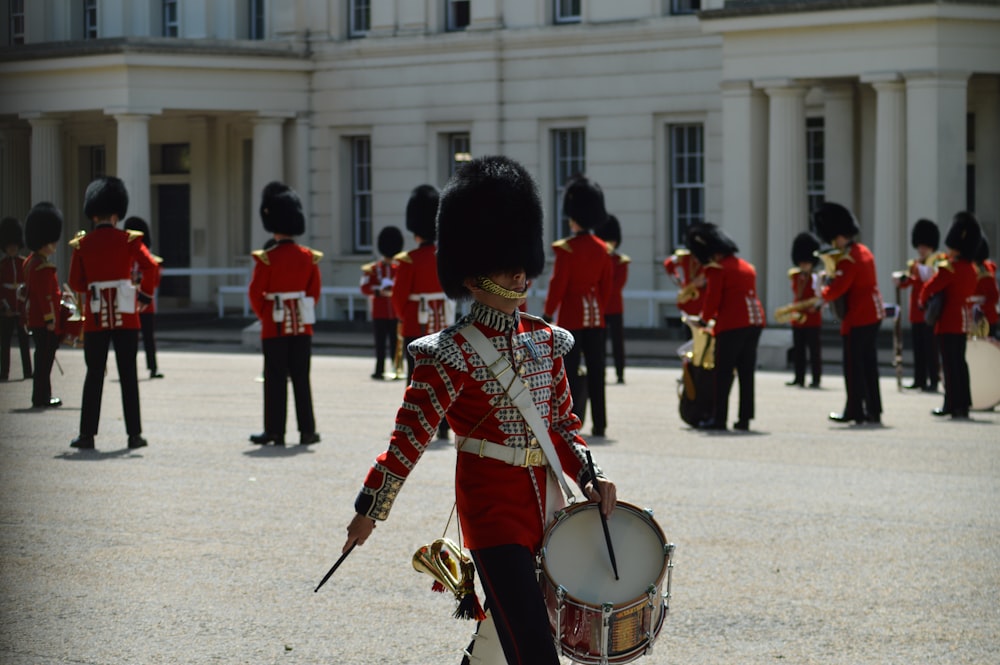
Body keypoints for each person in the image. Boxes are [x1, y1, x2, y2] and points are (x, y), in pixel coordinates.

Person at [341, 155, 617, 665]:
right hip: (491, 513)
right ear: (471, 272)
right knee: (535, 650)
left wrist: (591, 474)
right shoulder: (447, 353)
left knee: (500, 639)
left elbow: (560, 425)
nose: (518, 272)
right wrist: (370, 510)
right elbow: (409, 440)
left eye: (520, 261)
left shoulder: (544, 341)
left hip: (546, 507)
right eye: (504, 263)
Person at [69, 176, 159, 450]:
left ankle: (87, 435)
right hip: (127, 316)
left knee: (94, 374)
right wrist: (142, 294)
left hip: (96, 317)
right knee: (128, 374)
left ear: (93, 214)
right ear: (117, 214)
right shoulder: (129, 240)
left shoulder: (82, 244)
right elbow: (151, 267)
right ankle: (134, 435)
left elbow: (75, 283)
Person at [248, 181, 322, 447]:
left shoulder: (266, 259)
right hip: (302, 326)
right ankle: (308, 430)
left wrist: (267, 315)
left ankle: (275, 432)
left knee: (275, 379)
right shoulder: (308, 257)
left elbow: (255, 294)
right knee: (302, 378)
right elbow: (314, 293)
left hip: (275, 327)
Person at [542, 175, 613, 437]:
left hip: (572, 317)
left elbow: (557, 285)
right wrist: (598, 308)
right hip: (596, 317)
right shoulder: (603, 248)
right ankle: (601, 423)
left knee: (568, 373)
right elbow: (606, 288)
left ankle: (570, 420)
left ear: (574, 217)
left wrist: (548, 313)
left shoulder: (567, 250)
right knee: (597, 371)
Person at [687, 222, 764, 431]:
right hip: (755, 322)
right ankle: (744, 419)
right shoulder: (747, 266)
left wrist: (703, 320)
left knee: (724, 373)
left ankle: (719, 418)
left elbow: (713, 299)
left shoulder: (717, 269)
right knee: (746, 372)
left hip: (732, 325)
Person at [813, 202, 885, 426]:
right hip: (872, 314)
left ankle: (854, 410)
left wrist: (822, 287)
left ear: (840, 236)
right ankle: (873, 409)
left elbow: (837, 290)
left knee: (853, 367)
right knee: (868, 365)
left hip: (859, 317)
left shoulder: (848, 259)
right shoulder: (863, 252)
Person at [392, 184, 451, 439]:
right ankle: (445, 426)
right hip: (444, 323)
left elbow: (398, 299)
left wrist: (404, 317)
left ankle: (415, 425)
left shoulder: (409, 260)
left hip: (417, 325)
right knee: (445, 379)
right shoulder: (446, 256)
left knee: (416, 379)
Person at [919, 211, 983, 420]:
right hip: (964, 320)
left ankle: (951, 404)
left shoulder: (951, 268)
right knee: (960, 364)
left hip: (948, 320)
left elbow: (929, 288)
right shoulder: (971, 269)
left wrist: (923, 301)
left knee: (949, 364)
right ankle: (962, 404)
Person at [22, 203, 63, 408]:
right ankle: (42, 397)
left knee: (42, 360)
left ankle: (42, 395)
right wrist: (50, 319)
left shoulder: (30, 262)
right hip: (45, 320)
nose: (54, 245)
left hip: (35, 319)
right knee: (44, 361)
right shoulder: (42, 266)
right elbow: (45, 296)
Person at [893, 218, 941, 392]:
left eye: (925, 247)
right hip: (915, 312)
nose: (921, 250)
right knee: (918, 348)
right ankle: (919, 379)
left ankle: (933, 380)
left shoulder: (936, 261)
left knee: (930, 348)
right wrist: (901, 281)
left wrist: (913, 276)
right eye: (920, 246)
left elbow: (928, 281)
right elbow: (910, 282)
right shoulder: (916, 264)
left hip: (929, 311)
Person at [123, 217, 164, 379]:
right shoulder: (129, 256)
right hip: (130, 301)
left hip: (144, 303)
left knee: (148, 338)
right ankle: (130, 367)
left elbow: (155, 282)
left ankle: (152, 367)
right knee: (130, 339)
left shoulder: (149, 258)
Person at [360, 225, 403, 380]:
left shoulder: (399, 268)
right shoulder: (371, 269)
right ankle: (379, 370)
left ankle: (395, 369)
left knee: (394, 343)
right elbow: (364, 288)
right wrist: (378, 291)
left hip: (394, 312)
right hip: (379, 312)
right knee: (379, 344)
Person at [785, 231, 823, 388]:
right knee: (798, 350)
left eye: (806, 263)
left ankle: (816, 379)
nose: (803, 265)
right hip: (798, 317)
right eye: (801, 263)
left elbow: (821, 296)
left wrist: (816, 306)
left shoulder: (817, 277)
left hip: (812, 317)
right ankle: (798, 377)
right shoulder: (795, 276)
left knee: (814, 351)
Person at [595, 214, 629, 384]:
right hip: (600, 306)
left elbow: (617, 286)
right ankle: (599, 371)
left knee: (618, 343)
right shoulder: (600, 260)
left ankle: (620, 372)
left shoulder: (620, 261)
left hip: (614, 307)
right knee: (598, 343)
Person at [0, 216, 32, 381]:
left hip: (21, 308)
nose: (12, 249)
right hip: (7, 309)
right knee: (4, 344)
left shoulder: (24, 263)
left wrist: (23, 307)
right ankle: (4, 372)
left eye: (14, 246)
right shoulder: (2, 266)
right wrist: (4, 307)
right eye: (9, 246)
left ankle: (28, 371)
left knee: (24, 342)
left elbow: (27, 286)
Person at [663, 245, 706, 337]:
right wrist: (678, 281)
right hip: (688, 300)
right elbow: (668, 264)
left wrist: (705, 282)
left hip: (703, 301)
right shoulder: (685, 257)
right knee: (689, 333)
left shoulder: (708, 259)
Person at [972, 238, 998, 339]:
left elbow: (994, 296)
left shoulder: (986, 273)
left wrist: (980, 308)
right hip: (972, 317)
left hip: (986, 318)